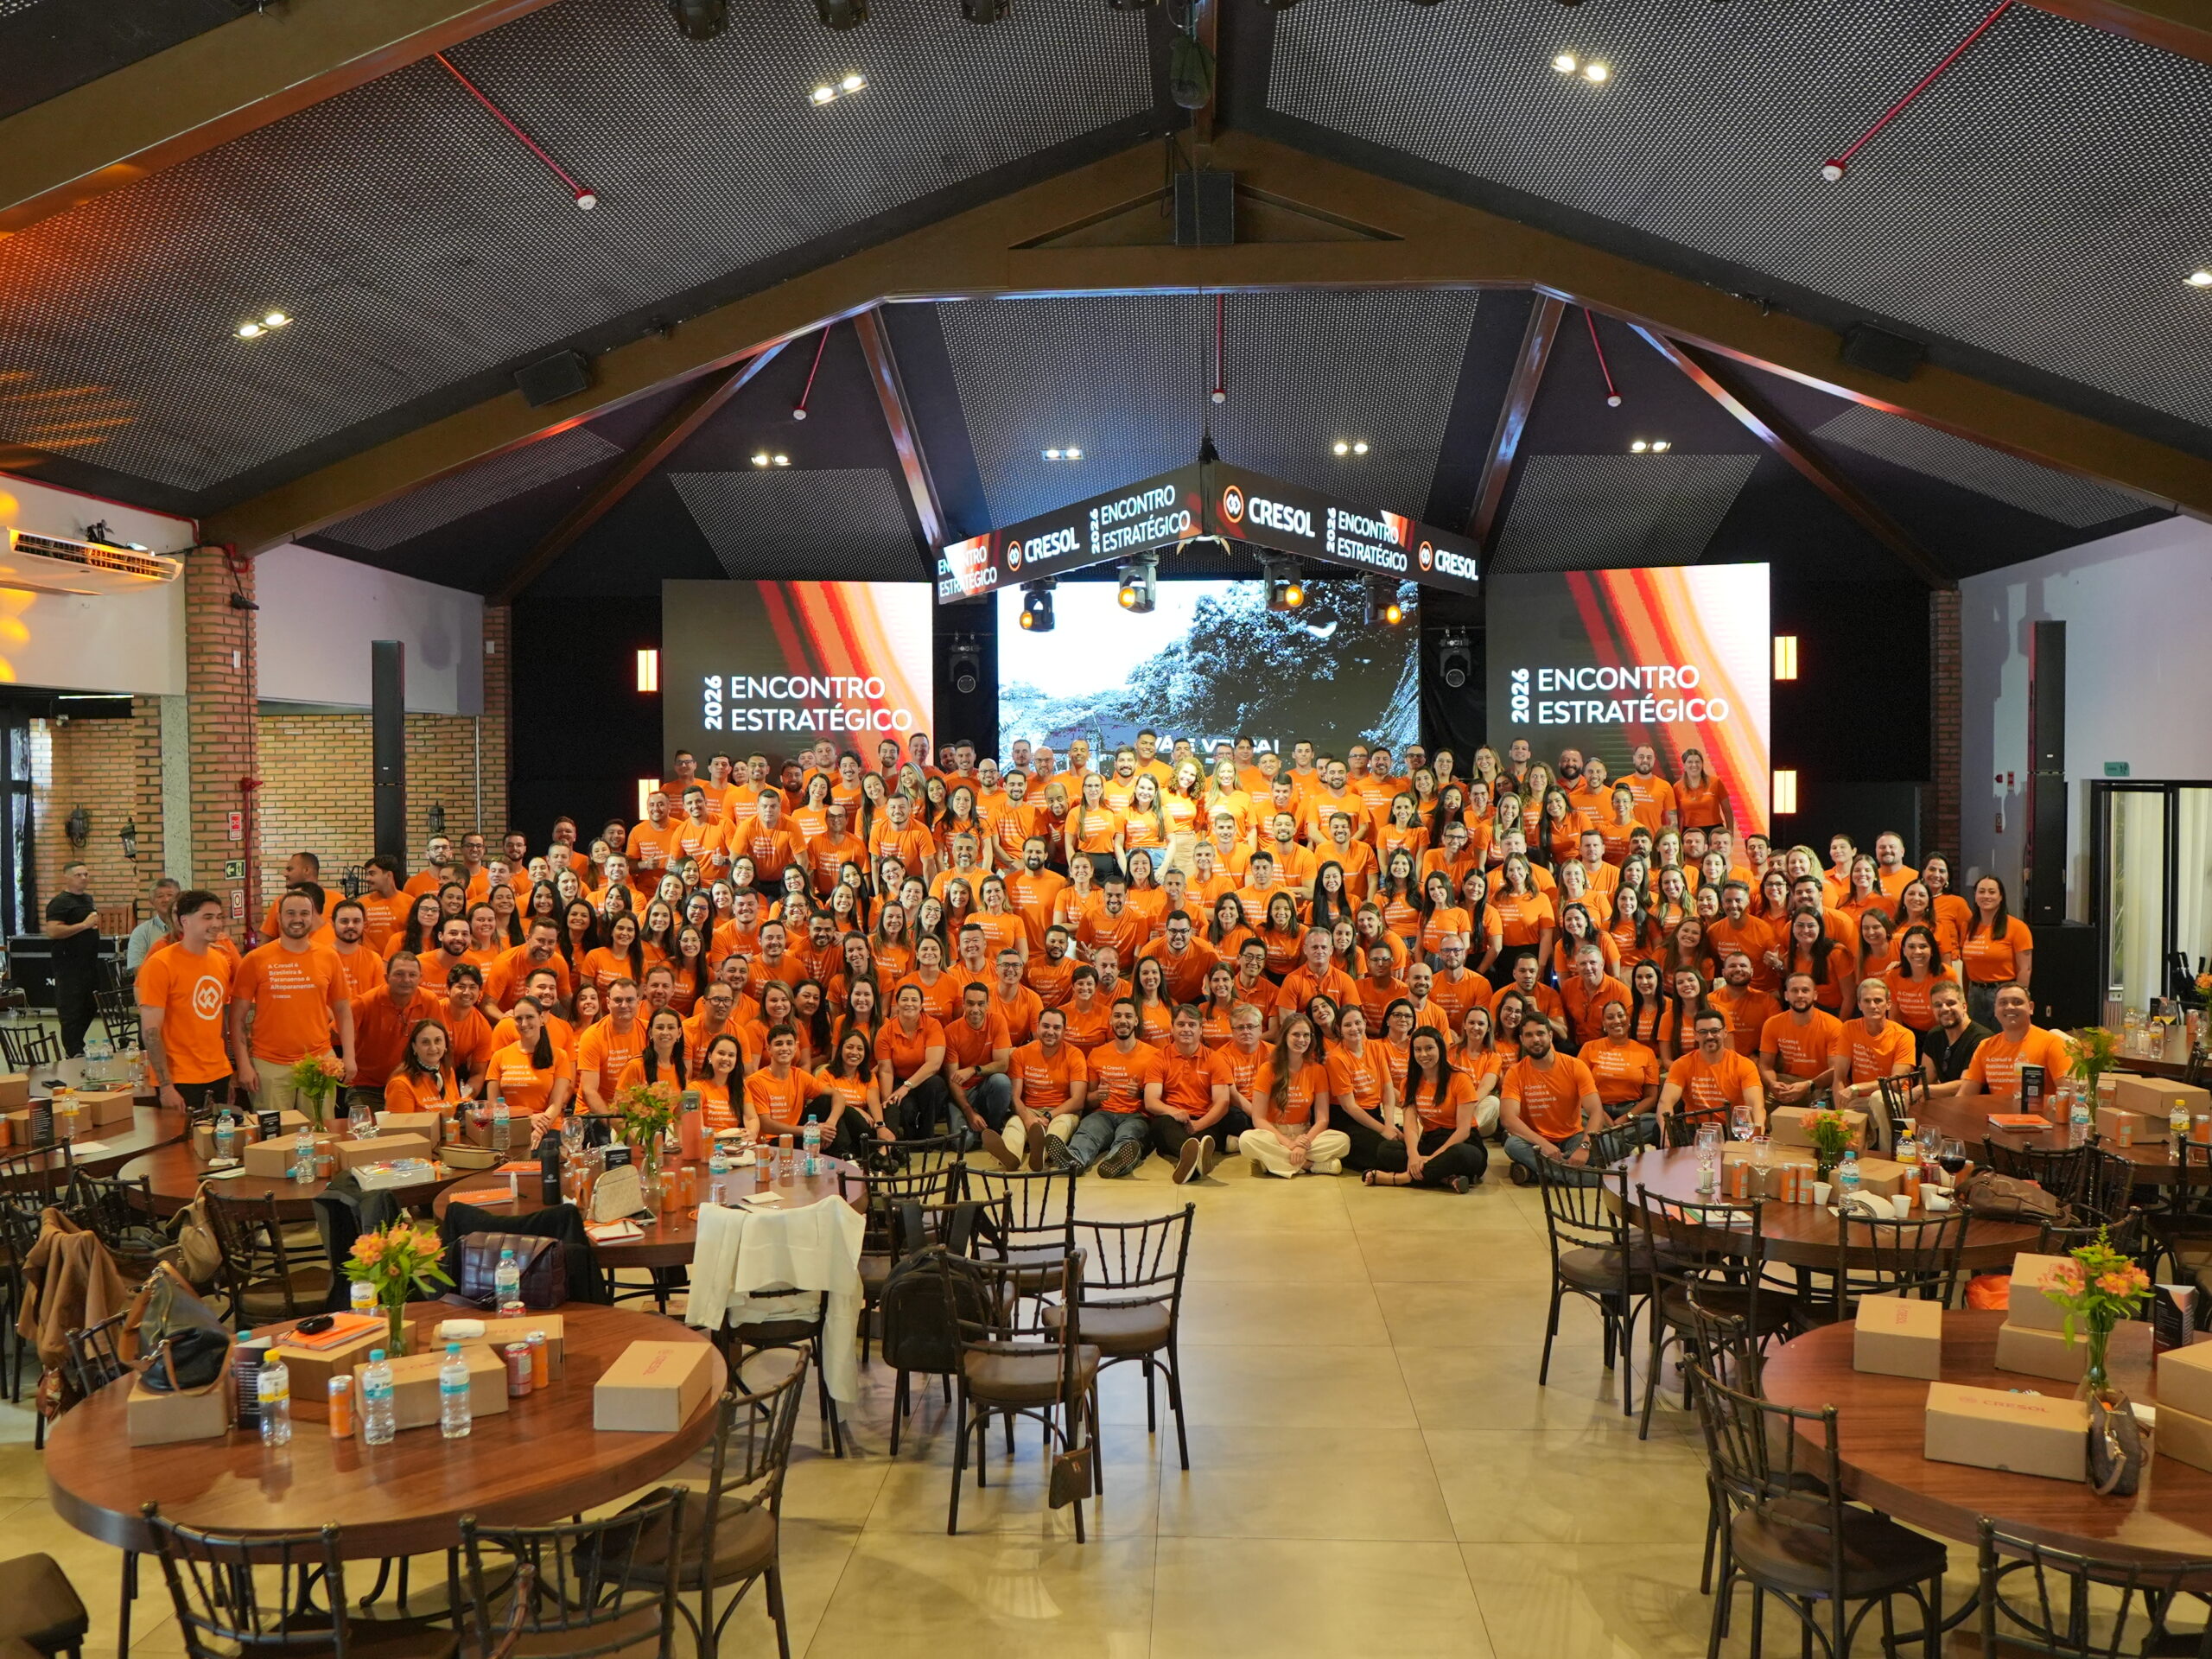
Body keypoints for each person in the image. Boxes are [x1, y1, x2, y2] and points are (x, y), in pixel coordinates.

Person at [230, 889, 356, 1114]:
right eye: (290, 913)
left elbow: (343, 1011)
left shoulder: (329, 957)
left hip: (319, 1060)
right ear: (279, 917)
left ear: (313, 917)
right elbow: (236, 1019)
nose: (297, 919)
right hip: (269, 1064)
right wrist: (243, 1065)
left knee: (319, 1130)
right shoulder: (255, 960)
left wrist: (349, 1057)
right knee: (274, 1132)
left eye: (304, 913)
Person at [137, 888, 236, 1113]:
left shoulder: (220, 961)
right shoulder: (160, 964)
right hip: (180, 1078)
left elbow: (219, 1021)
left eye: (219, 917)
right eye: (207, 917)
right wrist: (165, 1085)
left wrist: (228, 1071)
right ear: (184, 921)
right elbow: (151, 1031)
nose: (216, 924)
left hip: (218, 1073)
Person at [1363, 1028, 1487, 1191]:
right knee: (1385, 1149)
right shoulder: (1409, 1082)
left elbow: (1463, 1131)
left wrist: (1432, 1158)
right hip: (1432, 1140)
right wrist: (1413, 1155)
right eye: (1418, 1049)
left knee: (1460, 1154)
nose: (1423, 1054)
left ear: (1440, 1049)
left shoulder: (1461, 1079)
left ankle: (1400, 1178)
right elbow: (1410, 1125)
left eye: (1429, 1048)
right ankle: (1446, 1178)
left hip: (1463, 1143)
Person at [1055, 998, 1160, 1178]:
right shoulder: (1097, 1054)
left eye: (1128, 1016)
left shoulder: (1154, 1055)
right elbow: (1088, 1101)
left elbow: (1158, 1099)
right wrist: (1097, 1095)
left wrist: (1140, 1094)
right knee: (1088, 1132)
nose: (1122, 1021)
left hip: (1136, 1115)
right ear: (1110, 1020)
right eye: (1117, 1016)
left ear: (1136, 1021)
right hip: (1103, 1114)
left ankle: (1115, 1162)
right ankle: (1074, 1161)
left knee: (1129, 1136)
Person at [1242, 1012, 1348, 1178]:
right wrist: (1290, 1144)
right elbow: (1258, 1119)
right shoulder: (1267, 1069)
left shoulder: (1317, 1070)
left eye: (1306, 1035)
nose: (1302, 1040)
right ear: (1285, 1036)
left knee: (1342, 1140)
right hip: (1274, 1135)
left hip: (1305, 1134)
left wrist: (1303, 1144)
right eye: (1296, 1034)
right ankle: (1310, 1165)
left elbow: (1322, 1119)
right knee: (1246, 1140)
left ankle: (1272, 1161)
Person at [1500, 1018, 1604, 1185]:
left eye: (1540, 1033)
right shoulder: (1515, 1072)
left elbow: (1596, 1111)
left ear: (1550, 1035)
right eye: (1529, 1035)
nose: (1535, 1039)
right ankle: (1584, 1177)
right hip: (1535, 1141)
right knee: (1512, 1145)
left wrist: (1584, 1147)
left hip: (1572, 1138)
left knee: (1608, 1145)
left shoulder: (1575, 1066)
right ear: (1522, 1039)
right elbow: (1508, 1118)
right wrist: (1544, 1145)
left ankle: (1536, 1173)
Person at [1152, 1004, 1235, 1182]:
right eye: (1181, 1024)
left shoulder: (1215, 1058)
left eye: (1192, 1025)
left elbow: (1223, 1103)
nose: (1186, 1029)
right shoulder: (1160, 1058)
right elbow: (1151, 1101)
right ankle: (1197, 1159)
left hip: (1203, 1120)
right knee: (1161, 1125)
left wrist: (1199, 1125)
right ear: (1172, 1028)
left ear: (1200, 1029)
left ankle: (1190, 1162)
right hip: (1172, 1120)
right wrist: (1173, 1111)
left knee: (1209, 1133)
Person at [1957, 982, 2073, 1097]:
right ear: (1995, 1010)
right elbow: (1965, 1095)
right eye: (2003, 1003)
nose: (2010, 1007)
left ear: (2031, 1008)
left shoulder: (2052, 1043)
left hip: (2039, 1110)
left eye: (2017, 1002)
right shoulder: (1985, 1046)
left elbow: (2069, 1095)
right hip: (1998, 1109)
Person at [485, 996, 575, 1143]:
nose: (524, 1023)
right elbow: (493, 1104)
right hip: (509, 1126)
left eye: (530, 1017)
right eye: (519, 1018)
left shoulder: (559, 1056)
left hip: (548, 1126)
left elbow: (556, 1104)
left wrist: (539, 1131)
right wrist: (527, 1120)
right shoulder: (499, 1056)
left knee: (542, 1152)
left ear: (541, 1019)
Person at [1657, 1008, 1766, 1129]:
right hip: (1695, 1129)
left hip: (1734, 1128)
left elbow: (1756, 1106)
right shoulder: (1682, 1064)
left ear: (1725, 1032)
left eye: (1715, 1031)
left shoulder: (1744, 1065)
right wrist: (1666, 1133)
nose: (1709, 1036)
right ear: (1696, 1035)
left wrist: (1757, 1134)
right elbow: (1665, 1102)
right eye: (1703, 1032)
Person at [944, 981, 1015, 1160]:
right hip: (962, 1094)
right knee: (962, 1144)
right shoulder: (951, 1031)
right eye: (970, 1003)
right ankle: (976, 1125)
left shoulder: (997, 1021)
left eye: (981, 1004)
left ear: (988, 1004)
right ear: (963, 1004)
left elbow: (1003, 1064)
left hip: (986, 1087)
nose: (975, 1009)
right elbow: (953, 1080)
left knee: (1001, 1081)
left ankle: (993, 1128)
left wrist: (973, 1070)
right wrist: (969, 1112)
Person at [1758, 971, 1842, 1109]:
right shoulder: (1772, 1023)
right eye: (1794, 991)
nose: (1800, 995)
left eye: (1805, 990)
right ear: (1786, 995)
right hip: (1787, 1082)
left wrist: (1808, 1085)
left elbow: (1836, 1070)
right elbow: (1765, 1066)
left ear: (1815, 995)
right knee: (1756, 1094)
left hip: (1819, 1085)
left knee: (1828, 1102)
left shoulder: (1833, 1025)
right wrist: (1773, 1084)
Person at [43, 861, 102, 1058]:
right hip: (69, 965)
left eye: (86, 874)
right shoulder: (60, 902)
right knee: (71, 1009)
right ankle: (73, 1051)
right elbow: (53, 931)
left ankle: (78, 1043)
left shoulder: (87, 899)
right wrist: (84, 925)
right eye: (78, 875)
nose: (84, 878)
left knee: (91, 1005)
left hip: (89, 963)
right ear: (66, 877)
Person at [1961, 874, 2034, 1028]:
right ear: (1975, 896)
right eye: (1981, 891)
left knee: (2005, 1037)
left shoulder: (2017, 927)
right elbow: (1966, 967)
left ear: (2001, 897)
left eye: (1992, 892)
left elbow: (2025, 969)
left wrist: (2017, 998)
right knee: (1979, 1039)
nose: (1986, 896)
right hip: (1975, 994)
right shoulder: (1967, 926)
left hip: (2003, 992)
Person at [1917, 979, 1992, 1096]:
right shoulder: (1934, 1036)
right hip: (1946, 1103)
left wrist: (1922, 1090)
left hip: (1974, 1104)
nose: (1945, 1009)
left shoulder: (1982, 1038)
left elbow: (1965, 1086)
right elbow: (1925, 1082)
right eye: (1938, 1005)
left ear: (1964, 1006)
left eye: (1951, 1003)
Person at [385, 1019, 465, 1114]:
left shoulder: (448, 1071)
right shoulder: (400, 1084)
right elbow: (399, 1123)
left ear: (446, 1045)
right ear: (414, 1047)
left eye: (437, 1040)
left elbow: (455, 1112)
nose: (433, 1048)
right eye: (425, 1042)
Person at [124, 876, 181, 989]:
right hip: (155, 988)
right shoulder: (141, 932)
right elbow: (137, 968)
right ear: (151, 902)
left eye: (170, 895)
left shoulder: (191, 928)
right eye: (160, 896)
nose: (166, 899)